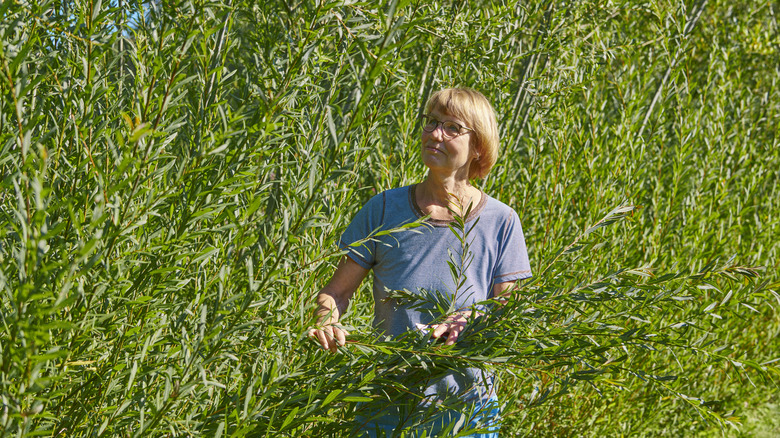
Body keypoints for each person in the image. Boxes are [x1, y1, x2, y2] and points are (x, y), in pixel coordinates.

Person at [308, 87, 532, 437]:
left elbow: (508, 307)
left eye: (452, 127)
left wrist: (470, 317)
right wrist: (326, 319)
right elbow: (335, 292)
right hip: (386, 403)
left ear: (478, 147)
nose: (435, 133)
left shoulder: (502, 221)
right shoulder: (384, 209)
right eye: (431, 122)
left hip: (466, 409)